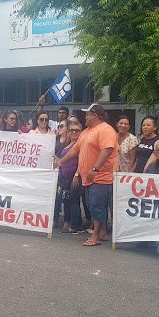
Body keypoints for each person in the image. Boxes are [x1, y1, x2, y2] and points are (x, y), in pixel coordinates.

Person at [55, 103, 118, 246]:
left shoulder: (105, 129)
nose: (85, 116)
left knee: (97, 205)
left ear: (95, 115)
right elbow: (75, 150)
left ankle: (95, 237)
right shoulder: (87, 131)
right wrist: (61, 161)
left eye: (87, 114)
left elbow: (107, 150)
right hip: (89, 177)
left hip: (101, 176)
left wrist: (95, 169)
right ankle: (101, 233)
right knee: (92, 205)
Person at [57, 120, 84, 234]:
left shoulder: (81, 144)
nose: (74, 132)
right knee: (67, 200)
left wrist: (77, 175)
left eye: (77, 130)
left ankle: (75, 226)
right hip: (65, 177)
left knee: (73, 201)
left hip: (74, 176)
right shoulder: (68, 144)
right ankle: (73, 224)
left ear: (81, 132)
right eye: (71, 130)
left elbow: (82, 161)